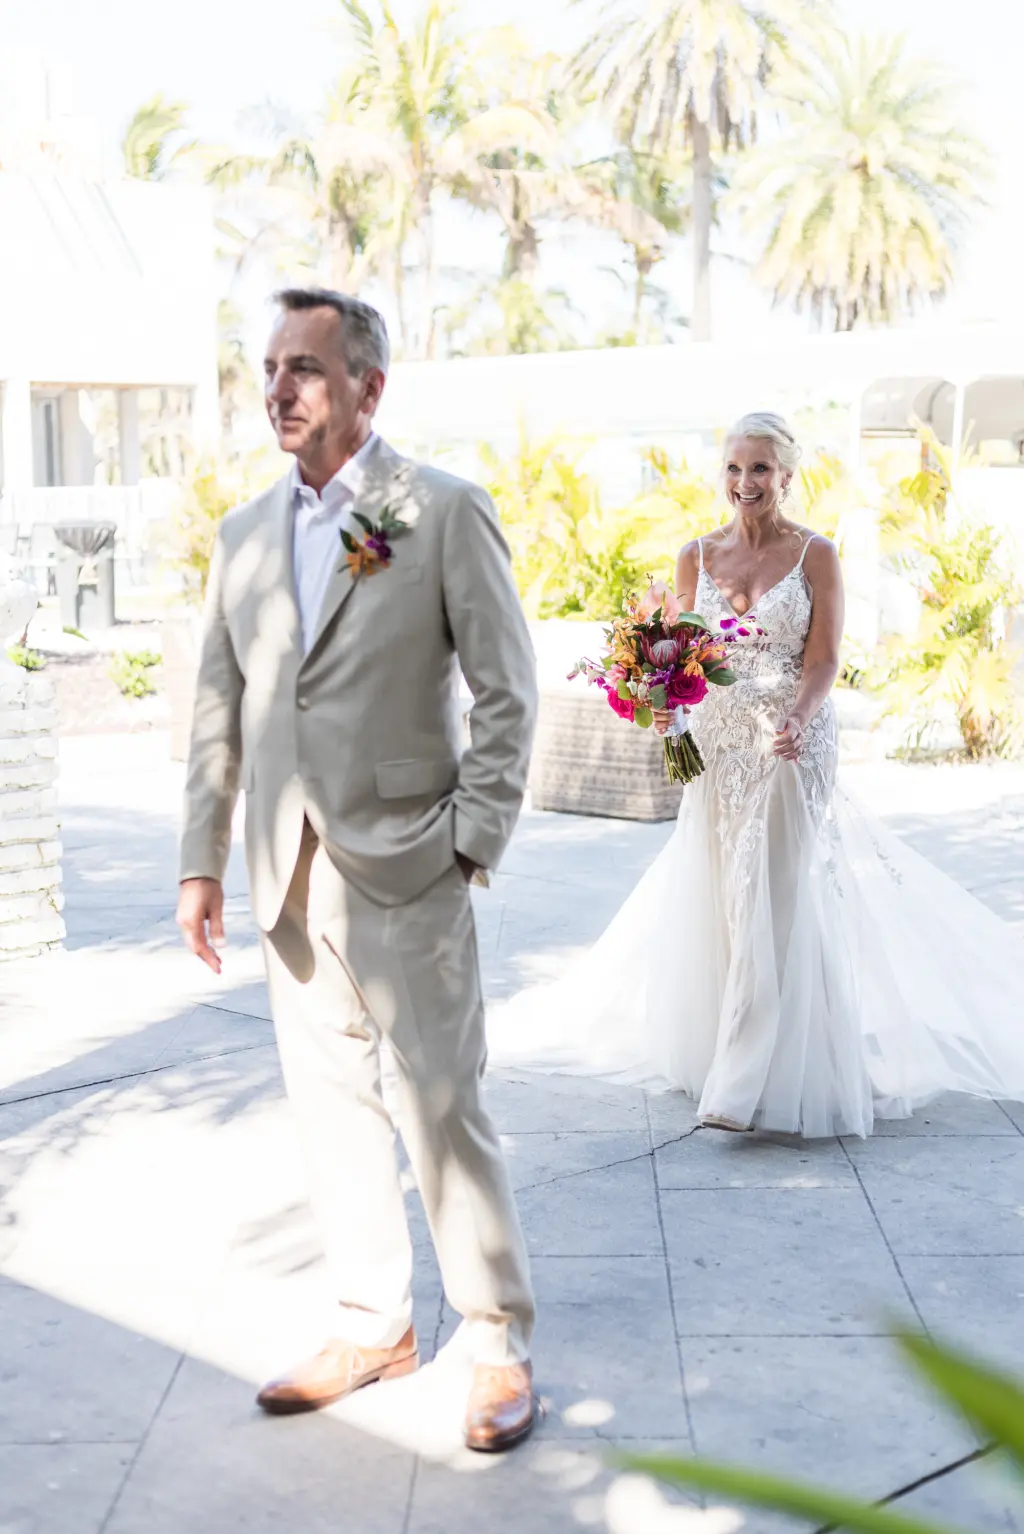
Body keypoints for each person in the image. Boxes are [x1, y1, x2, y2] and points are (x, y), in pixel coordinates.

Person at [176, 287, 539, 1451]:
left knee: (442, 1106)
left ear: (368, 390)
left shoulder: (437, 511)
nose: (278, 388)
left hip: (410, 861)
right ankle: (371, 1321)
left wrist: (469, 838)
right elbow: (218, 709)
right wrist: (201, 861)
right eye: (270, 365)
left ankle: (492, 1341)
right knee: (331, 1115)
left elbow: (508, 690)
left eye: (305, 369)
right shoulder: (242, 534)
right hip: (286, 875)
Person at [488, 411, 1024, 1138]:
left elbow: (826, 657)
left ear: (788, 475)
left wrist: (799, 717)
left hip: (789, 743)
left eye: (761, 469)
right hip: (717, 745)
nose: (746, 483)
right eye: (736, 468)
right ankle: (752, 1045)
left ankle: (740, 1080)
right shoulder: (694, 558)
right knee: (724, 891)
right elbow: (676, 655)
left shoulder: (817, 556)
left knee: (770, 889)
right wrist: (663, 703)